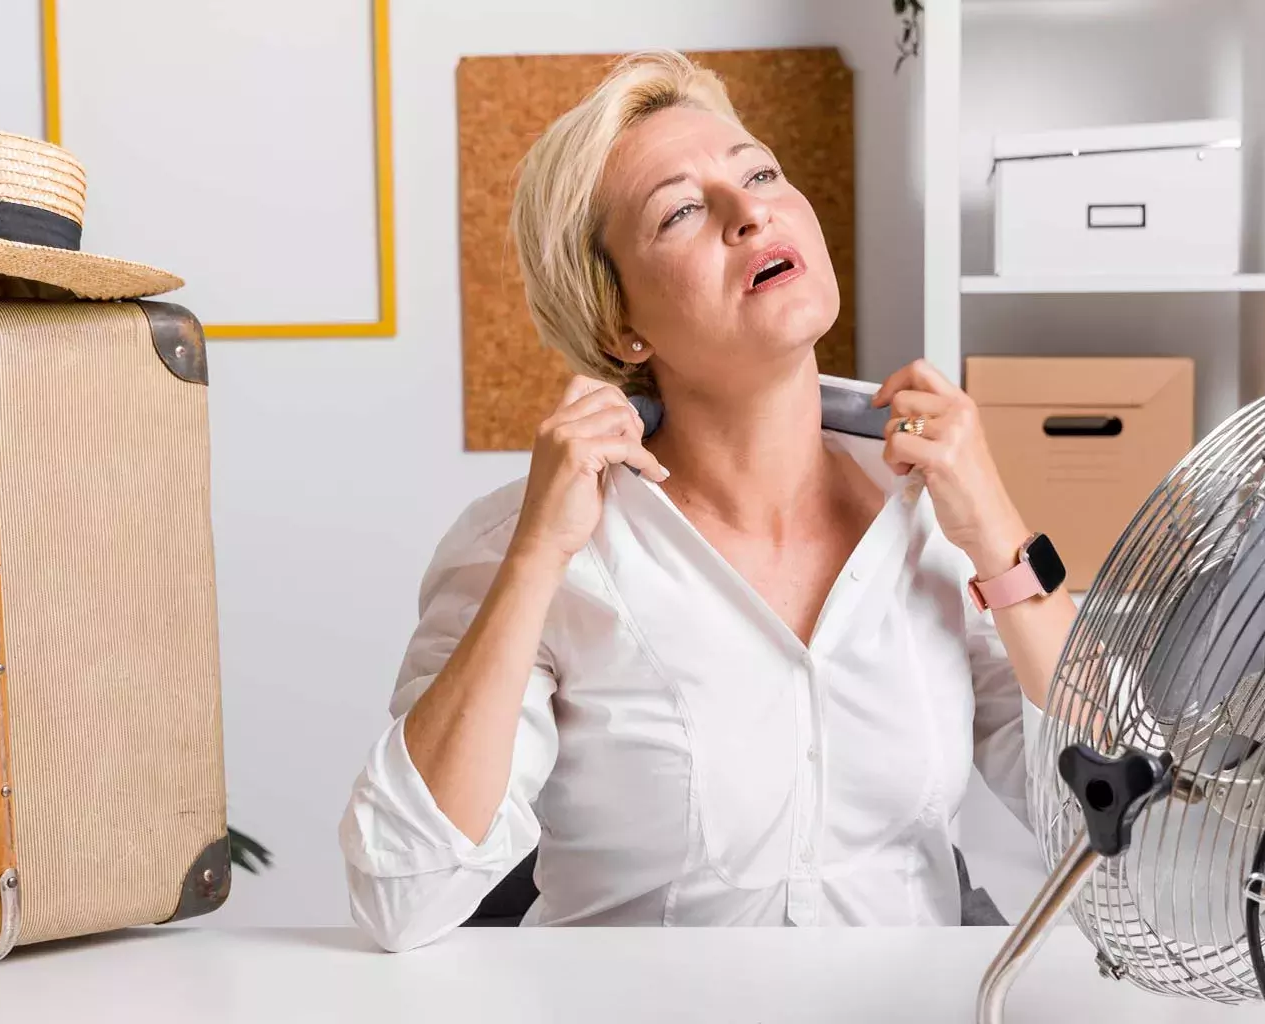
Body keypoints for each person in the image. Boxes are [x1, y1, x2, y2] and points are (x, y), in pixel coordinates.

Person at [338, 50, 1078, 952]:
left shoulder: (938, 513)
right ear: (622, 325)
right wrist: (535, 559)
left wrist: (999, 534)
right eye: (682, 211)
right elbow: (400, 893)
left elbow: (1125, 837)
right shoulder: (534, 543)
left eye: (760, 171)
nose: (749, 210)